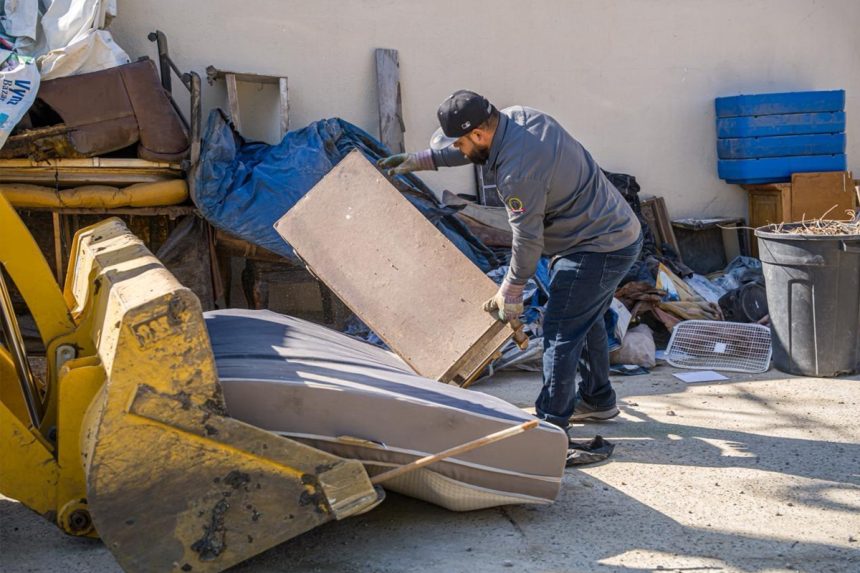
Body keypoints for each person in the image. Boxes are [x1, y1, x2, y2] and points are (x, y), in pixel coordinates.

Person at [379, 90, 642, 430]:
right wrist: (424, 159)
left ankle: (550, 424)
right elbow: (475, 152)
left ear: (477, 133)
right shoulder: (518, 117)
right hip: (611, 232)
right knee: (585, 319)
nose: (458, 149)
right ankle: (598, 400)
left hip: (598, 246)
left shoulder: (518, 174)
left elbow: (527, 240)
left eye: (458, 144)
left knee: (560, 330)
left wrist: (512, 290)